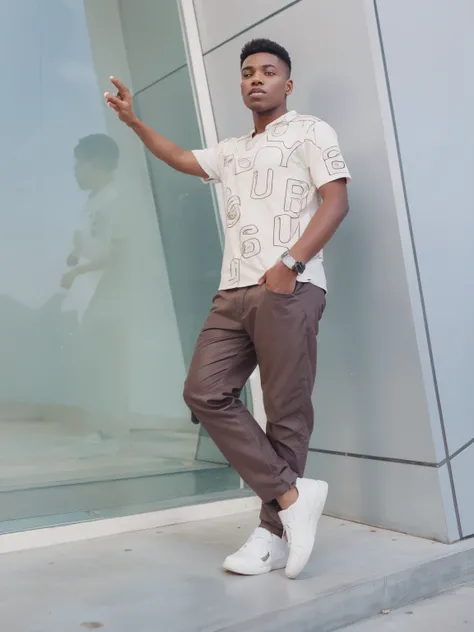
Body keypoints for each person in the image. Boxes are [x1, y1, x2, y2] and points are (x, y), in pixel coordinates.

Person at [105, 38, 350, 579]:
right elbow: (180, 158)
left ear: (288, 84)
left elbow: (337, 201)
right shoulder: (233, 149)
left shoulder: (311, 131)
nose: (255, 79)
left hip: (290, 286)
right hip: (233, 292)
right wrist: (133, 122)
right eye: (246, 73)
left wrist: (290, 263)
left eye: (267, 71)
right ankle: (290, 498)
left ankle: (270, 536)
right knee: (204, 391)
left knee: (285, 413)